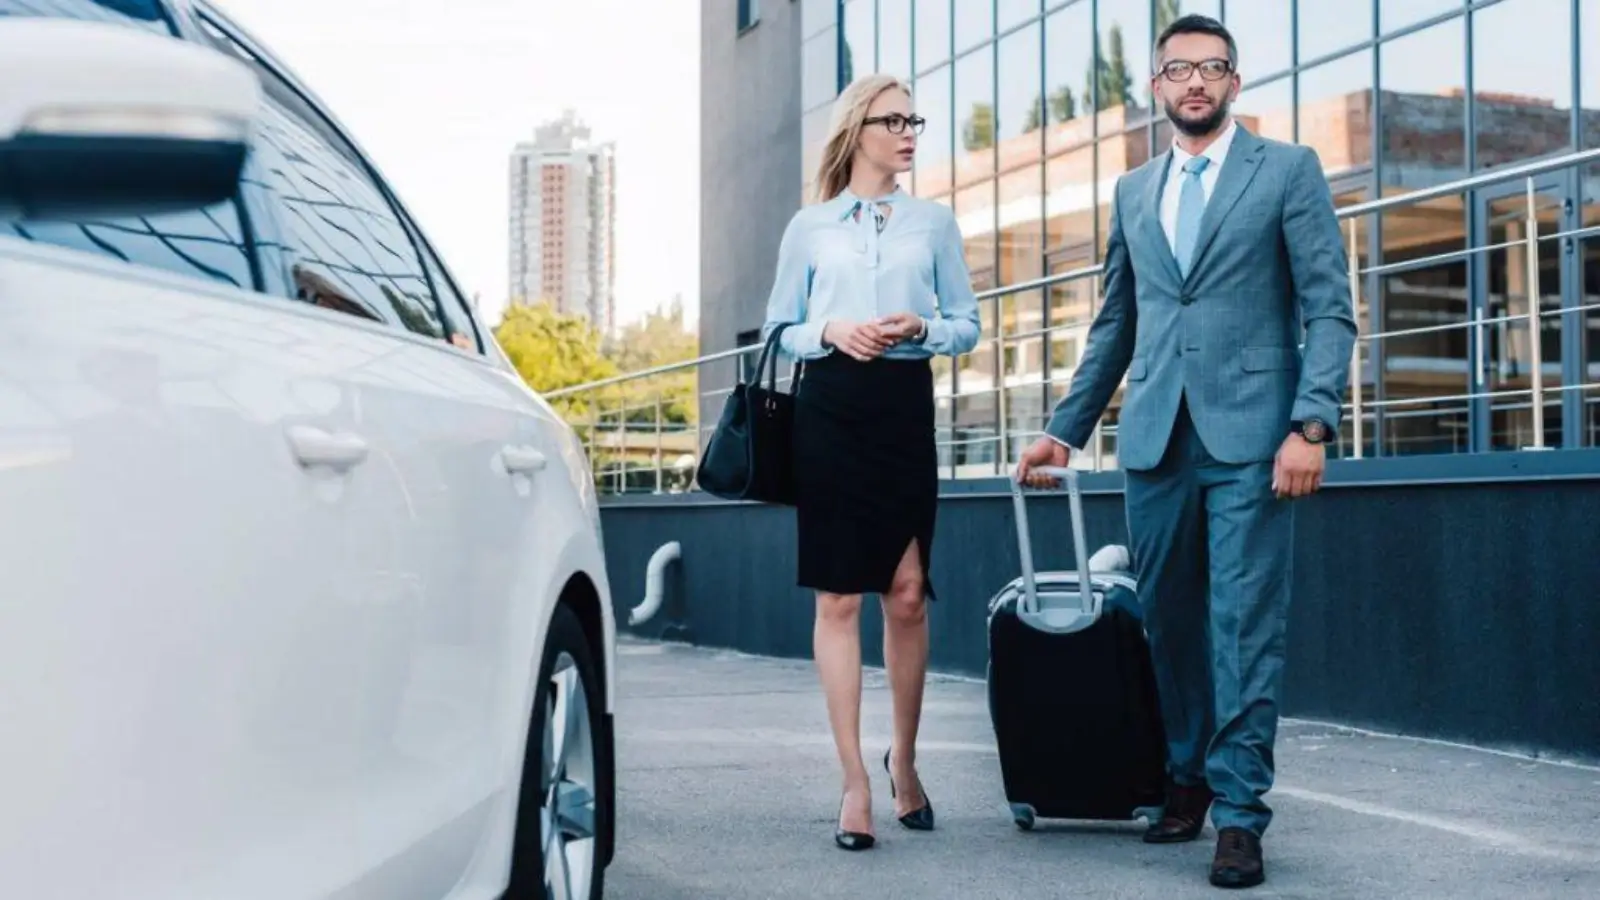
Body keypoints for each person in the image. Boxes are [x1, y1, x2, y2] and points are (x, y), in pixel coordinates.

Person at [1015, 14, 1356, 890]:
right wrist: (1064, 427)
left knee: (1244, 625)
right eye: (1178, 69)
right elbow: (1116, 325)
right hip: (1156, 437)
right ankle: (1190, 776)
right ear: (1158, 88)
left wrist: (1311, 423)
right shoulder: (1134, 192)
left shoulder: (1287, 170)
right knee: (1168, 617)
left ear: (1235, 83)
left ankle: (1241, 814)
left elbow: (1329, 307)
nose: (1195, 82)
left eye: (1212, 68)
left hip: (1257, 440)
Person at [760, 73, 980, 851]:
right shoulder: (810, 227)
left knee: (910, 593)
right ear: (858, 130)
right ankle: (854, 782)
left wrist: (925, 325)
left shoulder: (934, 223)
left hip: (901, 407)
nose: (911, 132)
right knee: (839, 602)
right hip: (830, 410)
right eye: (896, 120)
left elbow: (969, 325)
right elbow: (778, 329)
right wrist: (829, 332)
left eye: (915, 120)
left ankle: (906, 762)